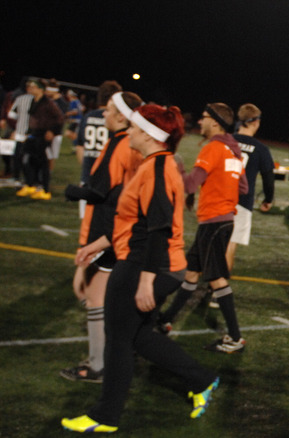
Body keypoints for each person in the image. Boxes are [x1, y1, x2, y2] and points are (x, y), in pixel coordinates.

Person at [61, 104, 219, 433]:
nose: (129, 132)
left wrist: (146, 281)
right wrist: (97, 244)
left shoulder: (157, 169)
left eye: (134, 127)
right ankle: (202, 379)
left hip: (146, 264)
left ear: (149, 134)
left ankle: (105, 416)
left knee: (117, 339)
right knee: (137, 337)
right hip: (152, 262)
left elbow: (157, 229)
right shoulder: (154, 165)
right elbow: (136, 223)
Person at [60, 91, 144, 383]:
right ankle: (112, 349)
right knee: (88, 292)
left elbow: (102, 192)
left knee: (92, 296)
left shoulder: (121, 143)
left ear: (122, 116)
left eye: (108, 109)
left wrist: (74, 191)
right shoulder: (127, 143)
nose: (103, 113)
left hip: (106, 231)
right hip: (113, 230)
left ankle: (100, 364)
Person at [156, 103, 248, 353]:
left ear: (216, 123)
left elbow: (190, 185)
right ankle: (165, 321)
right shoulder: (234, 151)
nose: (200, 122)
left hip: (214, 222)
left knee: (217, 279)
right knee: (192, 274)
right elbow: (243, 188)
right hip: (222, 220)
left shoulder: (214, 148)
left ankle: (235, 338)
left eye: (204, 118)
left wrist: (177, 167)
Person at [225, 103, 275, 273]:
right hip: (242, 202)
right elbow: (269, 179)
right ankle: (218, 293)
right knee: (230, 245)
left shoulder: (225, 141)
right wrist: (268, 199)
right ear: (256, 122)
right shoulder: (261, 149)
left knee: (213, 242)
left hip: (218, 197)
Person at [74, 81, 123, 216]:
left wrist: (87, 169)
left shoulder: (88, 116)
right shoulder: (115, 119)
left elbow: (79, 147)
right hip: (109, 180)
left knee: (87, 223)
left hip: (88, 177)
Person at [15, 78, 63, 200]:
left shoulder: (48, 103)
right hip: (33, 134)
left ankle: (45, 189)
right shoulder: (34, 101)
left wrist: (52, 131)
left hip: (43, 135)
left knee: (43, 162)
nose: (30, 89)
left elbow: (59, 118)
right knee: (26, 158)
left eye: (33, 87)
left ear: (40, 89)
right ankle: (31, 184)